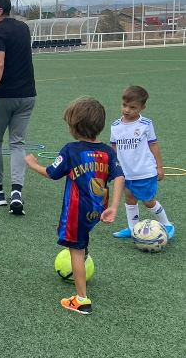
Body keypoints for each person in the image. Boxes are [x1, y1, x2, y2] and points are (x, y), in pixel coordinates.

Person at [24, 97, 123, 314]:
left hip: (76, 211)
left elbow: (51, 173)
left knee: (75, 250)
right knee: (82, 242)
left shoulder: (71, 150)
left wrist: (32, 164)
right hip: (98, 208)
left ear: (73, 126)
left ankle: (81, 299)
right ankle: (84, 255)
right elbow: (119, 176)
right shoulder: (107, 151)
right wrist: (114, 206)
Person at [0, 0, 36, 216]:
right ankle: (16, 193)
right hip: (27, 96)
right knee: (17, 144)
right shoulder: (23, 28)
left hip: (2, 97)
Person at [109, 86, 175, 239]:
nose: (127, 110)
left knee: (148, 201)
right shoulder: (115, 126)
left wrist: (159, 166)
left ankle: (167, 224)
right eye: (124, 105)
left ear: (142, 107)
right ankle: (133, 228)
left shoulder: (145, 123)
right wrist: (114, 168)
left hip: (145, 172)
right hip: (126, 173)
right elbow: (114, 147)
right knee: (130, 199)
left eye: (133, 107)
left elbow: (153, 145)